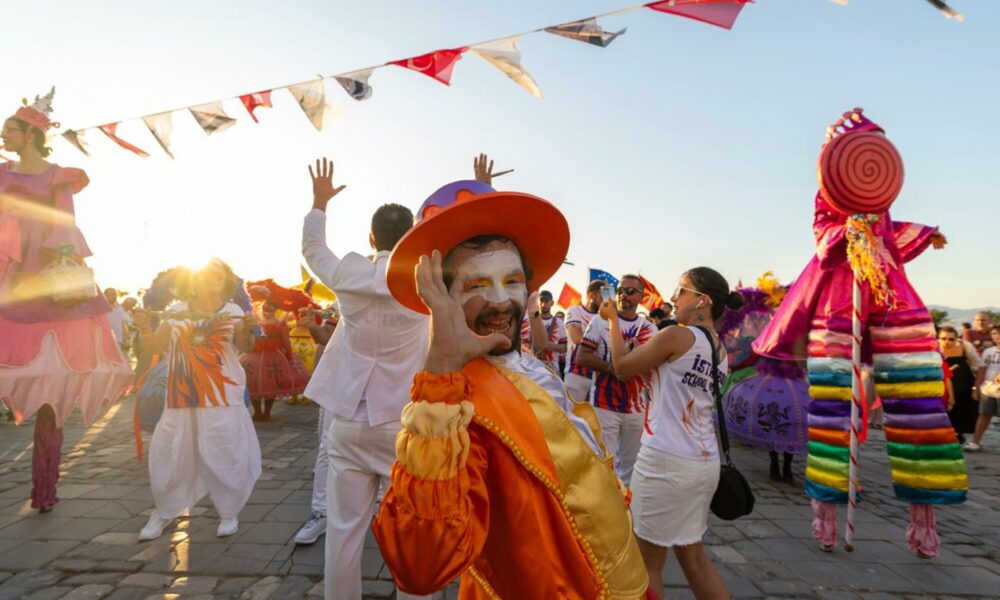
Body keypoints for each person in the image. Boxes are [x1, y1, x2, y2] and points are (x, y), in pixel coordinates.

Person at [372, 177, 648, 598]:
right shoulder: (458, 406)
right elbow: (420, 565)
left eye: (512, 281)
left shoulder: (529, 366)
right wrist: (441, 373)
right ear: (441, 297)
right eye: (476, 285)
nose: (501, 301)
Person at [753, 108, 968, 558]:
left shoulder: (880, 200)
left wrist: (925, 233)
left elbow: (888, 238)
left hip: (891, 296)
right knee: (832, 413)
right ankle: (826, 517)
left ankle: (924, 522)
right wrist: (846, 231)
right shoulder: (827, 197)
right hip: (837, 302)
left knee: (919, 407)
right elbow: (823, 241)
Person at [298, 158, 432, 600]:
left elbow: (313, 250)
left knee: (343, 533)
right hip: (403, 424)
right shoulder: (425, 281)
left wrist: (319, 203)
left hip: (350, 421)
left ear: (371, 239)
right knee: (411, 532)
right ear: (410, 237)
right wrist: (481, 194)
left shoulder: (350, 274)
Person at [0, 89, 133, 513]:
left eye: (9, 129)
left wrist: (49, 263)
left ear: (30, 135)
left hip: (49, 276)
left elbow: (64, 223)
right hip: (7, 267)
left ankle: (45, 488)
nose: (3, 135)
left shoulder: (59, 176)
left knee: (52, 397)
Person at [603, 268, 740, 600]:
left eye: (682, 290)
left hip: (665, 460)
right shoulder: (720, 350)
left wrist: (612, 322)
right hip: (702, 463)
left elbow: (621, 368)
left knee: (647, 563)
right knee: (693, 558)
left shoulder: (677, 336)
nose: (674, 297)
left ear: (703, 301)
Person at [133, 259, 262, 540]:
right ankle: (165, 511)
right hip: (181, 394)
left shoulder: (232, 311)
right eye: (207, 274)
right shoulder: (175, 311)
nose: (214, 279)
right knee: (170, 453)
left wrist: (249, 329)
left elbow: (244, 346)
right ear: (194, 280)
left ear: (225, 281)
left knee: (223, 451)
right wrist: (143, 327)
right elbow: (155, 346)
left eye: (219, 276)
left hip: (221, 394)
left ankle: (228, 511)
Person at [578, 275, 657, 485]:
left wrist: (635, 358)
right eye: (620, 290)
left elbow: (652, 367)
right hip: (604, 404)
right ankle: (606, 501)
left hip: (636, 407)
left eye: (630, 291)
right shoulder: (600, 320)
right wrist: (614, 368)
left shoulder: (649, 329)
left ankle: (626, 502)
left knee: (631, 465)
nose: (623, 295)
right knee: (605, 462)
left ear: (641, 297)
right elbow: (582, 356)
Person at [240, 280, 313, 421]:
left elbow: (286, 342)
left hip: (274, 356)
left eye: (270, 308)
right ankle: (257, 412)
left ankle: (266, 412)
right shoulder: (257, 323)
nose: (267, 311)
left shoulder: (280, 324)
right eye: (265, 308)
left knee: (270, 385)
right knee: (252, 383)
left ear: (275, 310)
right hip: (255, 355)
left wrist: (289, 357)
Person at [939, 325, 984, 444]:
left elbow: (980, 366)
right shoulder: (934, 347)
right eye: (943, 338)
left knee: (963, 411)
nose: (947, 341)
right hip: (942, 384)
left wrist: (975, 388)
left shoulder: (965, 346)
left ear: (956, 338)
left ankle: (959, 435)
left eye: (951, 339)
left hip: (964, 383)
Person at [563, 280, 602, 404]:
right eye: (602, 296)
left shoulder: (605, 318)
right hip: (577, 374)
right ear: (591, 296)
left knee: (593, 415)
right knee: (572, 412)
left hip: (599, 376)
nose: (605, 300)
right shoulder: (575, 310)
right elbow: (576, 337)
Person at [965, 326, 1000, 451]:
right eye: (994, 333)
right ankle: (975, 442)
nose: (997, 336)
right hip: (987, 389)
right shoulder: (988, 351)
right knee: (984, 415)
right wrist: (976, 388)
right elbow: (982, 370)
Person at [522, 289, 566, 375]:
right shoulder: (527, 319)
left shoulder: (559, 323)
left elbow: (565, 347)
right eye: (541, 301)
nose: (543, 304)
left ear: (552, 303)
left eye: (546, 301)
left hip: (551, 369)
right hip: (528, 368)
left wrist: (552, 346)